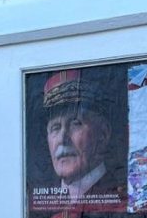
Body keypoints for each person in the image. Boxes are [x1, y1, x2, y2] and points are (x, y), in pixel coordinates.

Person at [42, 69, 126, 202]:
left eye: (75, 123)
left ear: (103, 134)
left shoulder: (121, 200)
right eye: (55, 128)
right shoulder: (40, 206)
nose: (63, 139)